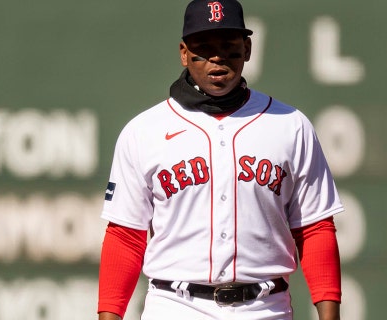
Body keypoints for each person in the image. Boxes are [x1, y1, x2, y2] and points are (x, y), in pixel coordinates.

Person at [97, 0, 343, 319]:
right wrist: (109, 314)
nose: (217, 58)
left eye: (228, 46)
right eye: (205, 47)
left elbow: (314, 228)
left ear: (248, 49)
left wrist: (330, 314)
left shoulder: (290, 124)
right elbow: (125, 236)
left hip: (265, 307)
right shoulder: (145, 130)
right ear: (184, 52)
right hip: (176, 305)